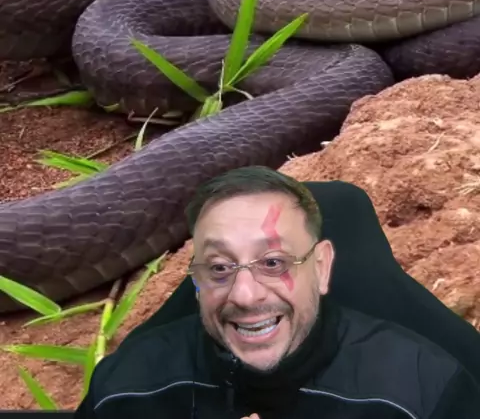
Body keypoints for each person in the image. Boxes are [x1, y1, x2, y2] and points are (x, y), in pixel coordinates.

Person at [75, 166, 480, 418]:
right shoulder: (126, 387)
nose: (245, 295)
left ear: (321, 267)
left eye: (273, 263)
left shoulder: (424, 389)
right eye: (220, 268)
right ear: (195, 279)